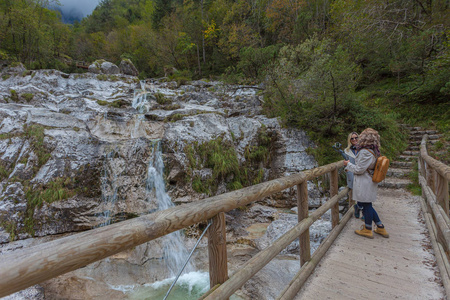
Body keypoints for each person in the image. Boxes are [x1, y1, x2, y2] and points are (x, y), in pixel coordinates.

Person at [343, 128, 389, 239]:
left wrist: (348, 164)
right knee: (368, 205)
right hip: (368, 181)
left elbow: (359, 169)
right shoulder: (373, 150)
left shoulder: (365, 152)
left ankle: (368, 229)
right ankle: (380, 227)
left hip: (364, 182)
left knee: (366, 205)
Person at [344, 132, 362, 218]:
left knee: (363, 192)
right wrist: (346, 169)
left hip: (362, 173)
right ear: (349, 140)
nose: (354, 140)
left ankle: (362, 210)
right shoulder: (347, 151)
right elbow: (346, 162)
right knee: (356, 191)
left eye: (356, 137)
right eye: (352, 138)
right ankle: (358, 207)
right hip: (352, 173)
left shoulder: (363, 149)